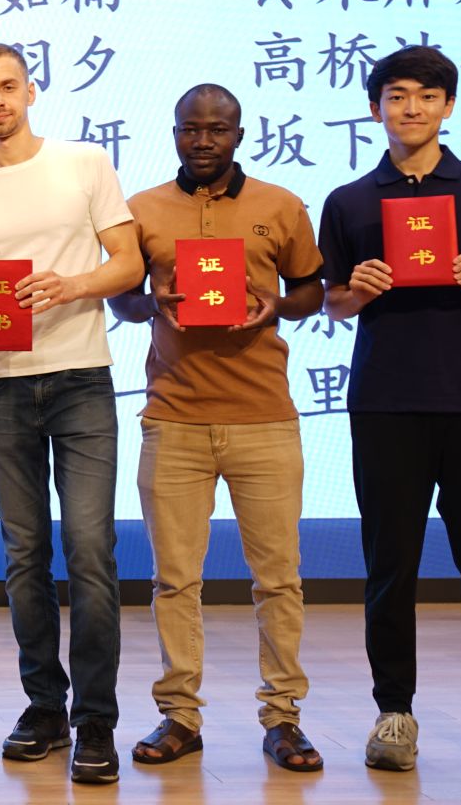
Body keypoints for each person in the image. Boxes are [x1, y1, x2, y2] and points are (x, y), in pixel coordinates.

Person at [318, 45, 461, 777]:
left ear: (448, 106)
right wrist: (356, 290)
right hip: (385, 402)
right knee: (390, 565)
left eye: (425, 95)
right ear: (375, 108)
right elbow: (330, 302)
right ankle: (394, 712)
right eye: (396, 95)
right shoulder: (349, 200)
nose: (410, 108)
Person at [0, 43, 141, 784]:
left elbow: (129, 264)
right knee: (24, 554)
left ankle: (96, 719)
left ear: (31, 90)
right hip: (3, 385)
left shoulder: (84, 163)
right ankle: (44, 706)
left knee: (90, 549)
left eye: (7, 86)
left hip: (82, 378)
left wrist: (71, 285)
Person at [106, 84, 327, 773]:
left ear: (239, 134)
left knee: (278, 580)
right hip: (173, 419)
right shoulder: (142, 209)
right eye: (190, 129)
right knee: (174, 582)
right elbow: (122, 299)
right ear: (174, 133)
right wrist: (152, 303)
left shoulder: (281, 205)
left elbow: (312, 290)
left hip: (265, 419)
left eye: (218, 129)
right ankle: (180, 715)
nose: (203, 141)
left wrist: (275, 306)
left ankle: (283, 718)